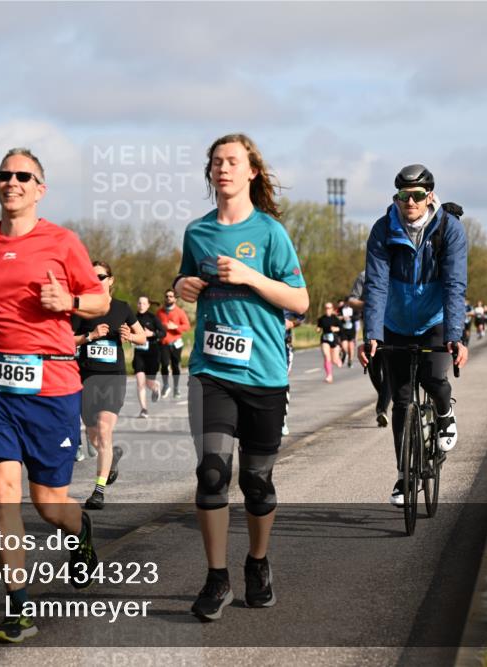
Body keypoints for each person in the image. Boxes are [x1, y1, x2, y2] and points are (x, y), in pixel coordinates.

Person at [0, 148, 108, 642]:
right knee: (2, 492)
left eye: (23, 175)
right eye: (4, 175)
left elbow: (97, 298)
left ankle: (79, 536)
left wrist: (72, 302)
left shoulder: (62, 241)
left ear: (40, 188)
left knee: (48, 502)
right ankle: (16, 606)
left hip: (52, 385)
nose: (11, 182)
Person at [175, 133, 308, 621]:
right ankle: (216, 577)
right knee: (212, 471)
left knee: (257, 481)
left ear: (252, 171)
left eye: (232, 161)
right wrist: (180, 284)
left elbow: (300, 301)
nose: (222, 169)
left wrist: (250, 276)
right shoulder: (197, 232)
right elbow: (186, 279)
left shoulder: (270, 233)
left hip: (265, 373)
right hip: (212, 371)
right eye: (215, 162)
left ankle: (257, 562)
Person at [358, 164, 468, 507]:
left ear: (430, 196)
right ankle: (405, 476)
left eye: (418, 196)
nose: (411, 202)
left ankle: (445, 414)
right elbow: (374, 285)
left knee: (434, 379)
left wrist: (454, 334)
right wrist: (372, 334)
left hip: (434, 320)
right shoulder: (383, 229)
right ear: (397, 197)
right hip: (395, 322)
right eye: (404, 196)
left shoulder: (449, 229)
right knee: (402, 401)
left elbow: (454, 284)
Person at [72, 261, 146, 510]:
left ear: (111, 280)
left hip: (113, 378)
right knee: (94, 436)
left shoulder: (122, 308)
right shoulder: (82, 309)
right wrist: (90, 336)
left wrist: (130, 336)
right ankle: (111, 456)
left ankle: (98, 490)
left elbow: (142, 336)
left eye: (101, 277)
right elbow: (65, 339)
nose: (96, 281)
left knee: (104, 430)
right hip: (86, 378)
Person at [349, 271, 390, 427]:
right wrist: (370, 304)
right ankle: (385, 396)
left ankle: (382, 409)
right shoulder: (364, 276)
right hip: (371, 328)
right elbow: (352, 300)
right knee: (372, 368)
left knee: (389, 370)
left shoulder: (395, 271)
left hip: (391, 328)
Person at [133, 296, 166, 418]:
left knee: (148, 382)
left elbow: (163, 333)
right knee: (139, 381)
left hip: (152, 352)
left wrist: (151, 333)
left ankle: (155, 387)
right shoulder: (133, 318)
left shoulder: (153, 318)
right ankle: (144, 409)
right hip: (139, 353)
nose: (141, 305)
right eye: (139, 303)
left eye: (144, 303)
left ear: (148, 305)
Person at [156, 289, 190, 398]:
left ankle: (176, 388)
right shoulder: (159, 312)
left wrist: (176, 327)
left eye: (170, 296)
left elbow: (187, 326)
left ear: (175, 299)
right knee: (165, 365)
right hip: (163, 343)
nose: (168, 298)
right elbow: (155, 325)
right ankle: (166, 385)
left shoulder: (180, 312)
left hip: (176, 343)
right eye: (166, 296)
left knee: (176, 366)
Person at [282, 311, 306, 436]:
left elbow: (301, 316)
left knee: (281, 382)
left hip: (282, 347)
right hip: (257, 344)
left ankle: (282, 420)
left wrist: (291, 323)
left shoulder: (285, 295)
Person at [316, 303, 343, 383]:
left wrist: (336, 328)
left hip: (334, 339)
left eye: (329, 308)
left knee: (334, 360)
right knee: (327, 356)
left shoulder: (335, 318)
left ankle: (338, 358)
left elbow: (341, 328)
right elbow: (319, 327)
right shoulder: (321, 318)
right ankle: (329, 375)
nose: (327, 309)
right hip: (325, 339)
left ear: (332, 309)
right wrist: (318, 329)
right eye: (326, 308)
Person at [338, 299, 357, 367]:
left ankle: (350, 360)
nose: (347, 304)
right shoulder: (340, 309)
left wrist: (350, 317)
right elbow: (336, 317)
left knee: (351, 347)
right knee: (344, 346)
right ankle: (344, 354)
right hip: (343, 330)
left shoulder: (353, 309)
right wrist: (342, 318)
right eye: (346, 302)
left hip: (351, 330)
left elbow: (357, 317)